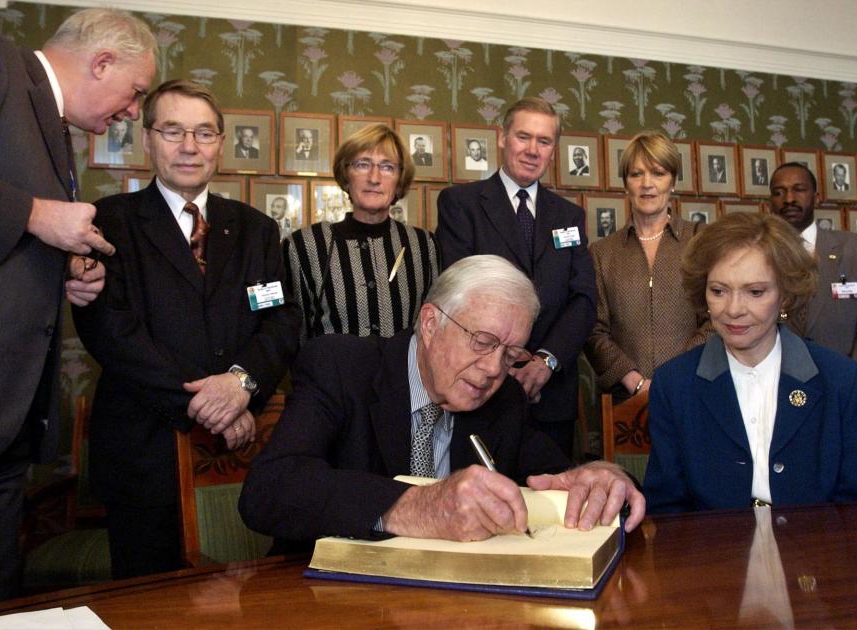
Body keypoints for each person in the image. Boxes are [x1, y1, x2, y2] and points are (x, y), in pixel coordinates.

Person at [240, 255, 645, 548]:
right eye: (483, 342)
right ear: (431, 323)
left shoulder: (503, 398)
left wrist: (603, 476)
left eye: (509, 355)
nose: (492, 369)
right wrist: (418, 506)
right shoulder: (341, 366)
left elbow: (557, 474)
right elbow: (269, 491)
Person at [72, 80, 302, 580]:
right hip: (142, 452)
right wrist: (212, 407)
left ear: (221, 142)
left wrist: (240, 385)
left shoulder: (257, 229)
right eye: (173, 131)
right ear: (148, 138)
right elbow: (111, 332)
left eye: (203, 133)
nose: (189, 146)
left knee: (247, 596)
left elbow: (280, 320)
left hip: (242, 454)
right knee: (146, 602)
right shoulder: (106, 222)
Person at [0, 8, 155, 605]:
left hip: (6, 413)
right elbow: (22, 211)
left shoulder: (55, 125)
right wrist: (35, 215)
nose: (131, 111)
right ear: (102, 62)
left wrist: (62, 266)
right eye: (135, 93)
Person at [644, 212, 857, 513]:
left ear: (785, 295)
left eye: (755, 292)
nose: (733, 309)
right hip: (712, 554)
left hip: (817, 553)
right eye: (718, 291)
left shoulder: (842, 380)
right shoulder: (674, 384)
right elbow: (666, 511)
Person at [436, 98, 597, 459]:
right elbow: (459, 291)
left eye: (544, 141)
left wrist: (546, 361)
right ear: (502, 137)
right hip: (484, 386)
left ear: (553, 150)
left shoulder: (570, 216)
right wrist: (506, 360)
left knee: (551, 504)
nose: (532, 150)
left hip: (552, 394)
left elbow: (583, 300)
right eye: (523, 137)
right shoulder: (461, 205)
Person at [769, 162, 857, 497]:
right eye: (779, 192)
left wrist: (841, 387)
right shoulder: (759, 257)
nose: (789, 198)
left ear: (816, 196)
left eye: (798, 189)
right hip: (780, 410)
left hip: (850, 406)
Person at [284, 123, 439, 344]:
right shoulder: (304, 246)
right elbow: (292, 335)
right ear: (346, 175)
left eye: (387, 167)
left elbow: (433, 332)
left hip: (403, 378)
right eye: (363, 164)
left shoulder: (424, 246)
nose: (374, 178)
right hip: (328, 377)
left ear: (399, 180)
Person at [585, 130, 711, 402]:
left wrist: (674, 377)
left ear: (673, 181)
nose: (647, 184)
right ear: (625, 184)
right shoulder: (602, 253)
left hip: (694, 392)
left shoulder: (700, 240)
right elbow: (594, 330)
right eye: (636, 174)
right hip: (625, 400)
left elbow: (717, 318)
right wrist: (636, 382)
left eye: (658, 173)